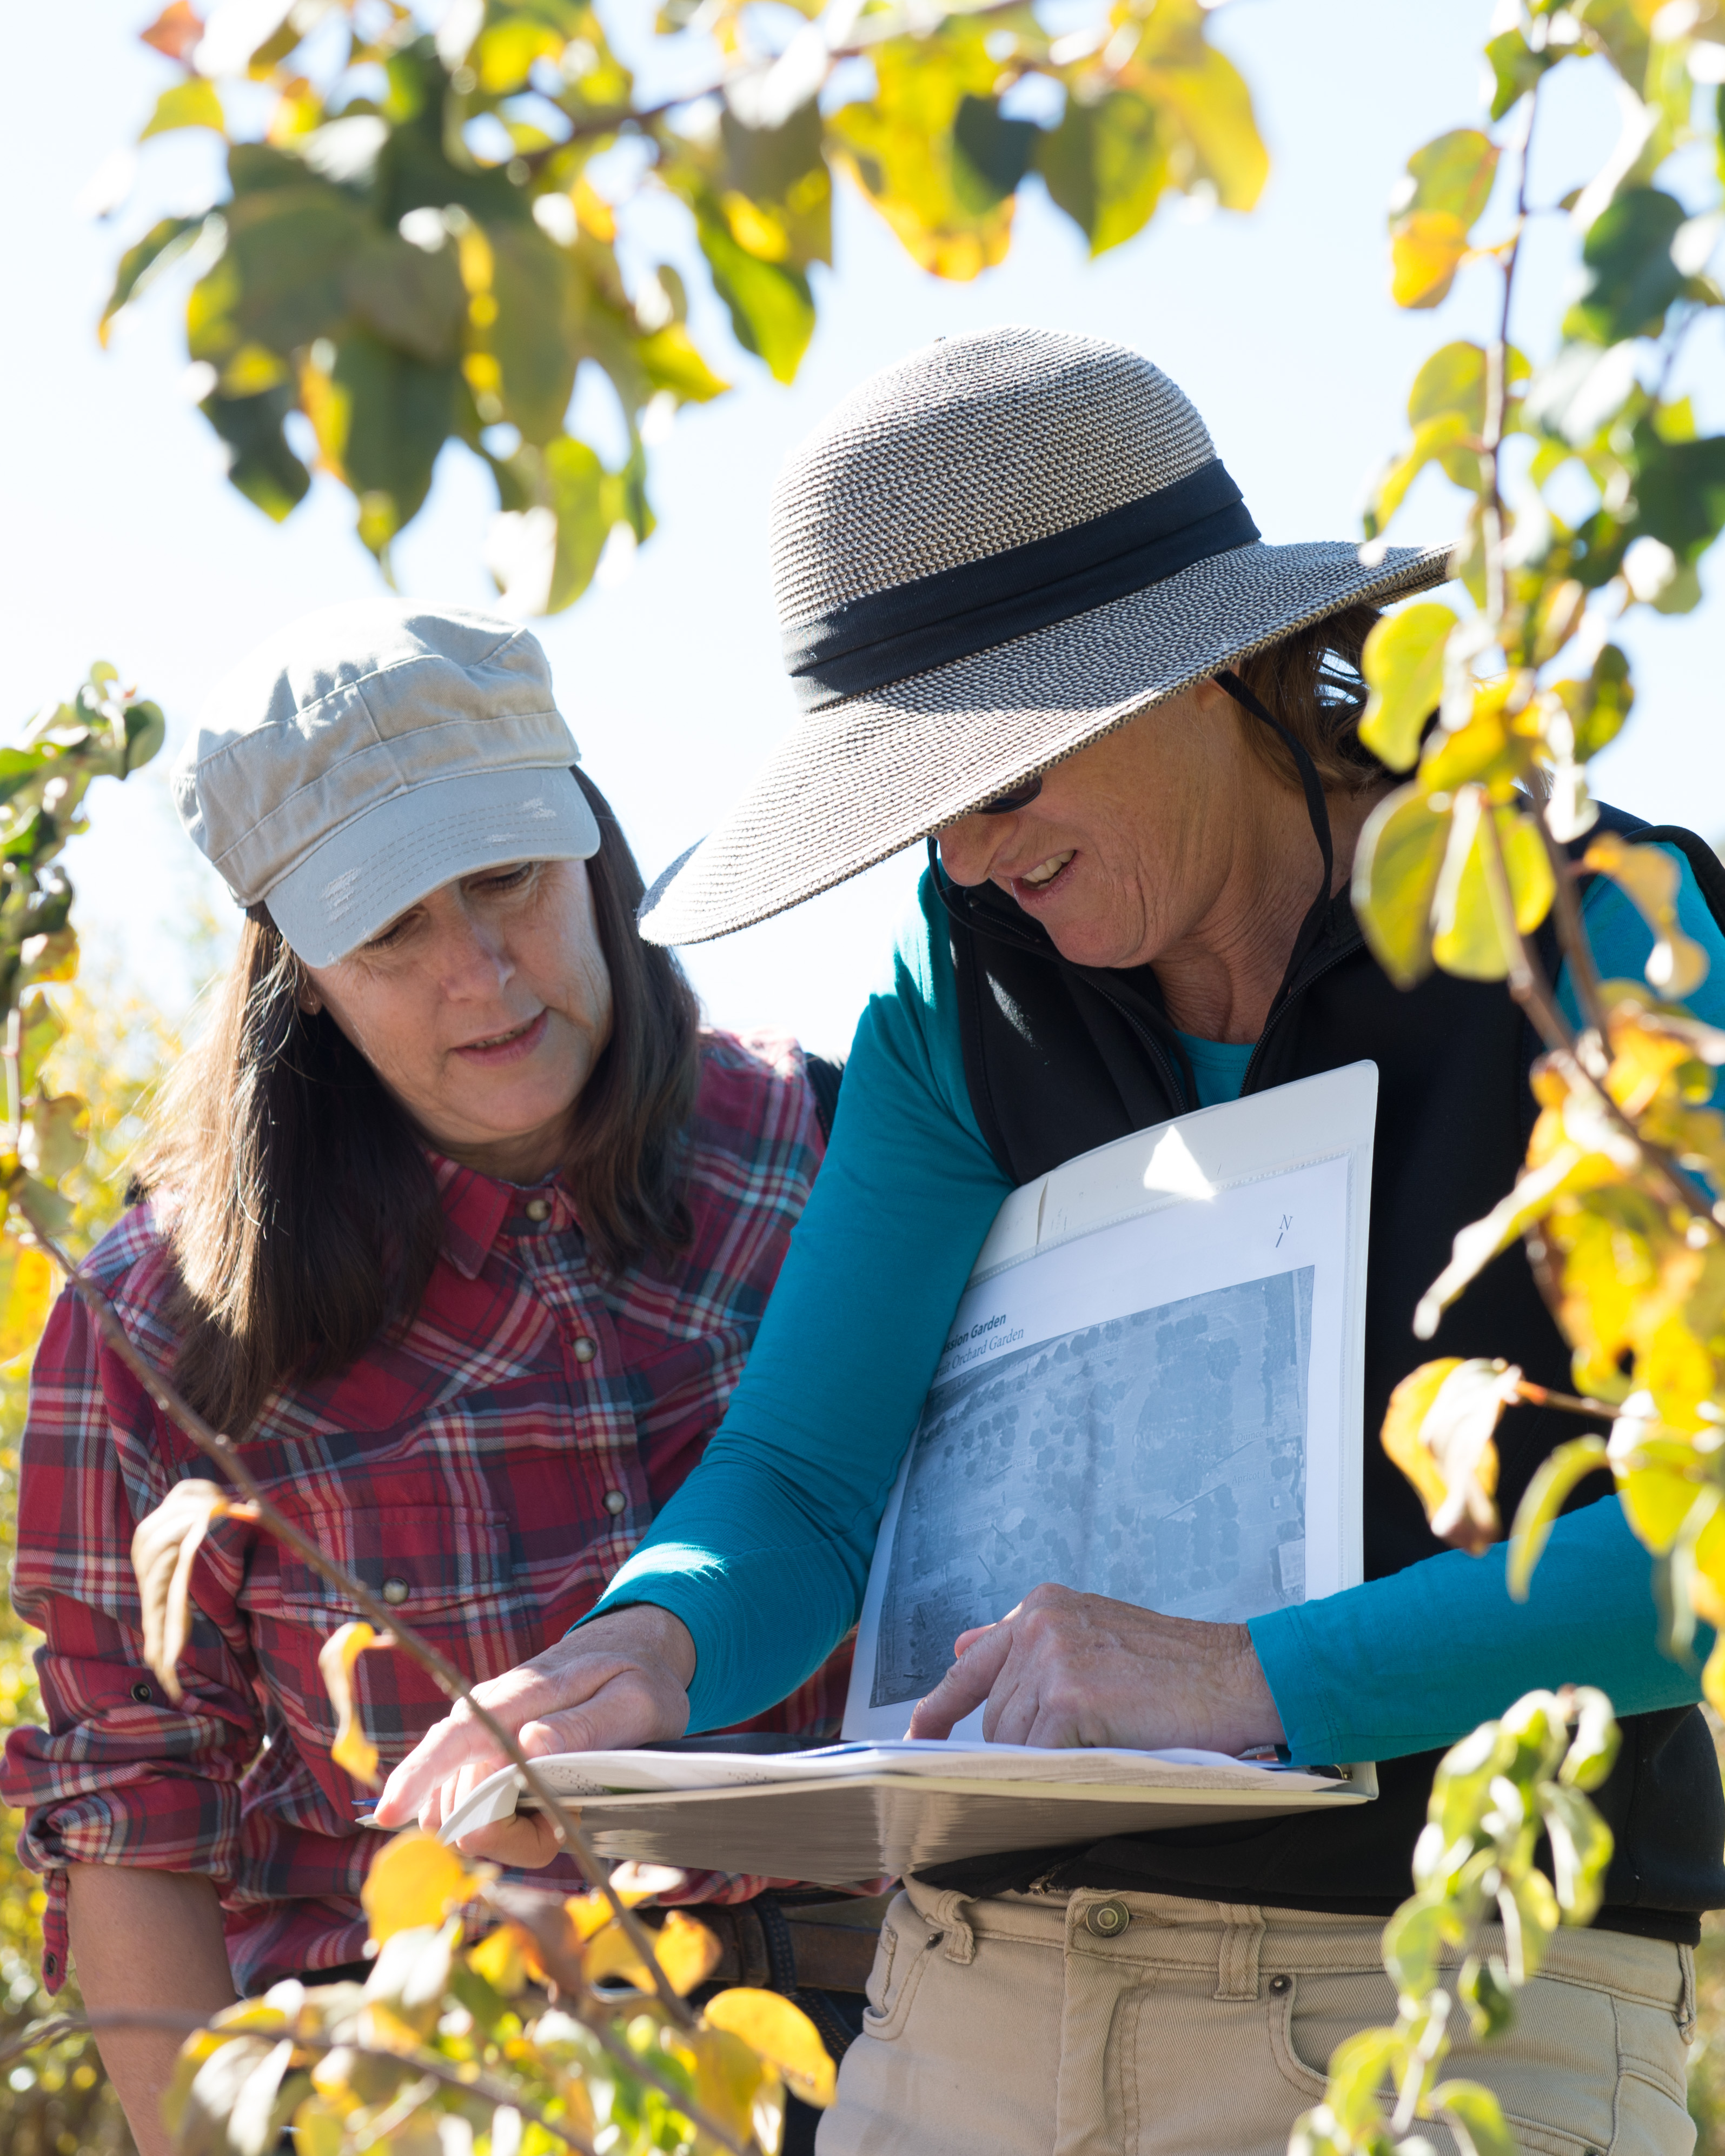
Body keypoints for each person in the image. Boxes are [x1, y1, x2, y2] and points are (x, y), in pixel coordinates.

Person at [380, 331, 1725, 2155]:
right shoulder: (959, 1000)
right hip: (976, 2005)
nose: (957, 861)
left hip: (1463, 2002)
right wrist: (653, 1646)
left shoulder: (1601, 931)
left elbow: (1696, 1548)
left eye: (1000, 782)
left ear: (1205, 670)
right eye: (919, 809)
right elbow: (795, 1470)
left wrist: (1242, 1674)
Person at [1, 601, 859, 2156]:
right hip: (439, 2082)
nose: (480, 971)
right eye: (392, 929)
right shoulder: (160, 1324)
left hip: (882, 2043)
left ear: (591, 846)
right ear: (301, 973)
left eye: (508, 880)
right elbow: (135, 1821)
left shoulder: (828, 1153)